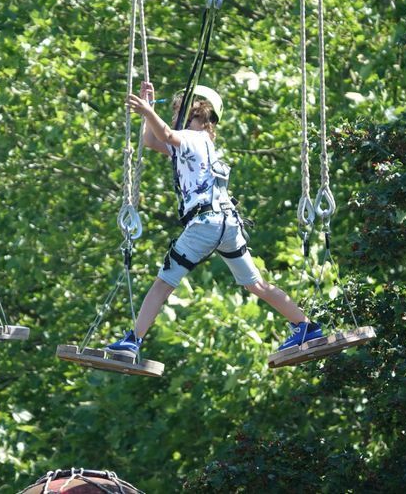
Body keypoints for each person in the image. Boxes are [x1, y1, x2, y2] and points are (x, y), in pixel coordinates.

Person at [107, 81, 321, 359]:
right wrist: (149, 112)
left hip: (205, 223)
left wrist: (148, 111)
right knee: (255, 284)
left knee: (164, 282)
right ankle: (306, 326)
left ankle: (133, 340)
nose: (174, 117)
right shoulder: (201, 145)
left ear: (193, 112)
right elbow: (152, 140)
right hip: (227, 224)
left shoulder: (192, 138)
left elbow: (166, 133)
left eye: (177, 112)